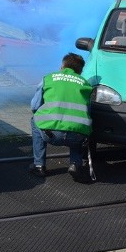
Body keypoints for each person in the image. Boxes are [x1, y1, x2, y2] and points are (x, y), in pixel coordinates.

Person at [29, 53, 93, 182]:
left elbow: (34, 106)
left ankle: (39, 165)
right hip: (77, 135)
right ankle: (75, 164)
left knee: (35, 121)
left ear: (62, 66)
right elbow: (88, 112)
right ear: (80, 70)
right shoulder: (85, 84)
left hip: (51, 133)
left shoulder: (48, 78)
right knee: (77, 127)